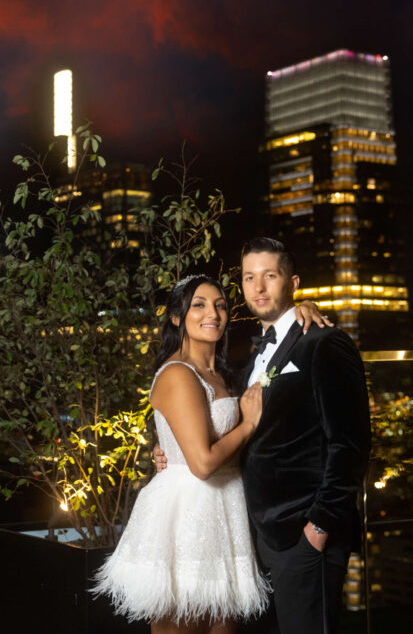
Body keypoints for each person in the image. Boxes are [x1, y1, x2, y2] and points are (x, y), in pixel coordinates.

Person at [92, 275, 330, 634]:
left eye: (219, 305)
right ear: (176, 317)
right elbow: (201, 463)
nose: (213, 313)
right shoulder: (178, 373)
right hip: (189, 513)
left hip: (227, 508)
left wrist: (302, 310)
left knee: (222, 625)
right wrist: (248, 425)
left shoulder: (225, 373)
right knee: (184, 623)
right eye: (199, 304)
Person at [158, 238, 370, 634]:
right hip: (251, 535)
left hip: (304, 536)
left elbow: (351, 445)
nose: (258, 288)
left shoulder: (325, 343)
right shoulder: (251, 358)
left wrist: (318, 528)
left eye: (269, 276)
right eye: (249, 277)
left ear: (292, 282)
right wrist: (171, 448)